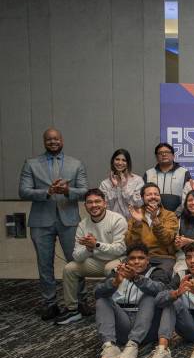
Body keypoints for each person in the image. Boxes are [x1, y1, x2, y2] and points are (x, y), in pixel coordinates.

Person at [19, 128, 89, 320]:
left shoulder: (76, 163)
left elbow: (84, 191)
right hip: (41, 221)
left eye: (56, 139)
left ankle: (80, 300)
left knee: (76, 261)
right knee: (44, 264)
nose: (53, 142)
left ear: (62, 140)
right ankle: (50, 303)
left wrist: (67, 191)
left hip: (69, 220)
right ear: (44, 142)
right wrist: (47, 192)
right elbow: (23, 191)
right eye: (49, 139)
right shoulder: (31, 164)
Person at [93, 243, 169, 358]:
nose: (136, 262)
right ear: (127, 260)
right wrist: (115, 282)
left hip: (147, 327)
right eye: (132, 258)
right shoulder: (117, 272)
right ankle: (109, 347)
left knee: (150, 296)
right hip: (122, 325)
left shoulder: (156, 272)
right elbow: (97, 293)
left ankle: (133, 345)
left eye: (141, 258)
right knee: (102, 299)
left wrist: (136, 278)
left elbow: (162, 290)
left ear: (147, 260)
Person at [60, 188, 127, 324]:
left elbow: (120, 249)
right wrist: (89, 249)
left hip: (118, 259)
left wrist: (96, 244)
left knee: (109, 268)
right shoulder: (83, 225)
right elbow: (76, 256)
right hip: (96, 261)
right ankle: (72, 310)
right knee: (69, 268)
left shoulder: (117, 219)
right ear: (85, 205)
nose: (94, 205)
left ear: (105, 203)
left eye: (97, 201)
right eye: (89, 202)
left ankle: (115, 309)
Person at [125, 183, 178, 275]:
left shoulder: (169, 215)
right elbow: (130, 244)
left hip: (162, 257)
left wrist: (155, 220)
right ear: (142, 197)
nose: (153, 197)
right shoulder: (136, 215)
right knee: (120, 273)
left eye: (156, 194)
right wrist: (137, 223)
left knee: (159, 275)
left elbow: (167, 240)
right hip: (138, 257)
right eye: (149, 195)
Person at [99, 148, 144, 220]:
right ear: (113, 161)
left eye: (124, 160)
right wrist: (114, 187)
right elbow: (105, 207)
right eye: (117, 159)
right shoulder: (104, 184)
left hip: (133, 221)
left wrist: (124, 187)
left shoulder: (137, 180)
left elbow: (139, 204)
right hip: (113, 222)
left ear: (128, 163)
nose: (120, 163)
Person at [144, 142, 189, 212]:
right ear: (156, 157)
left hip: (178, 214)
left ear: (173, 156)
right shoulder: (148, 173)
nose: (164, 154)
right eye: (160, 153)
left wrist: (177, 213)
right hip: (153, 213)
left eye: (167, 152)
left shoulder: (184, 172)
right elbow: (143, 196)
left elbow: (188, 196)